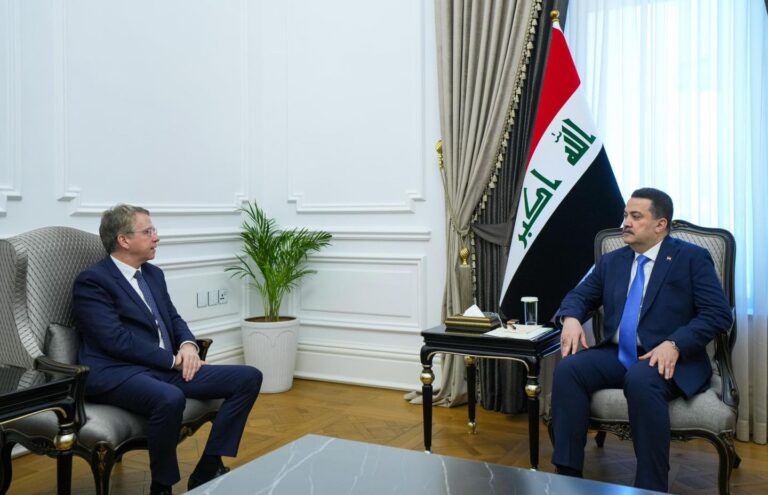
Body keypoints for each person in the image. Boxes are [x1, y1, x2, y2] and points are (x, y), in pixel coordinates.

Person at [550, 187, 732, 492]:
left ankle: (651, 486)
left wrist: (675, 343)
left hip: (672, 357)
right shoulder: (612, 261)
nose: (626, 223)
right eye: (625, 215)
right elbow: (579, 296)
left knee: (641, 379)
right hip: (619, 353)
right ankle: (567, 476)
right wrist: (570, 318)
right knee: (569, 370)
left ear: (660, 224)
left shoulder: (691, 258)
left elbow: (718, 314)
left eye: (636, 216)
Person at [73, 204, 263, 495]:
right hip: (118, 373)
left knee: (248, 377)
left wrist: (188, 346)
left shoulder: (152, 275)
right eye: (148, 231)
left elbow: (173, 318)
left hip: (163, 367)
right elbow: (115, 340)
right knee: (170, 398)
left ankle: (209, 466)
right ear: (124, 240)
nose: (156, 237)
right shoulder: (93, 281)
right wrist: (172, 360)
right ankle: (162, 487)